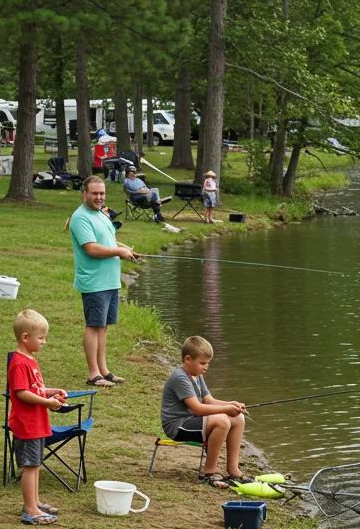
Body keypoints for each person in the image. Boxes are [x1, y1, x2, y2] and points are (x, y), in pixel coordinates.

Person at [69, 175, 139, 387]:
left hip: (110, 281)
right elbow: (91, 248)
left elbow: (107, 240)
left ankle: (104, 370)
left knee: (103, 327)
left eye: (102, 193)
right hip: (94, 281)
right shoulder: (80, 218)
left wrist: (126, 250)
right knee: (93, 326)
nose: (99, 197)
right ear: (85, 194)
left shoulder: (100, 214)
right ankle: (93, 374)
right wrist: (119, 251)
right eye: (95, 193)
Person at [160, 335, 249, 489]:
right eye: (202, 363)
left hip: (192, 421)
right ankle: (210, 471)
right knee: (222, 420)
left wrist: (231, 404)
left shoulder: (196, 375)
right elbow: (198, 408)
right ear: (188, 359)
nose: (206, 367)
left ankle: (233, 470)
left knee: (238, 418)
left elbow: (209, 400)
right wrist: (226, 410)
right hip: (178, 426)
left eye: (207, 363)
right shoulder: (180, 378)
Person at [8, 309, 69, 525]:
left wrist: (52, 392)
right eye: (41, 338)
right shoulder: (19, 362)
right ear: (26, 337)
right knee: (30, 466)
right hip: (27, 424)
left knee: (35, 464)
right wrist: (48, 403)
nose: (44, 342)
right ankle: (30, 510)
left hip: (38, 422)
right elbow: (21, 393)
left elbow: (35, 388)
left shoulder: (30, 359)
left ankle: (34, 502)